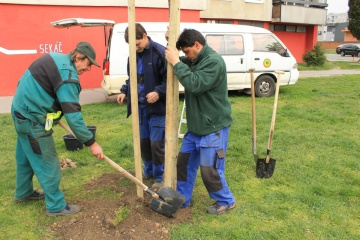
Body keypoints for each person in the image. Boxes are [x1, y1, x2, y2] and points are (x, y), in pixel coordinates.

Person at [11, 42, 104, 216]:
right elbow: (73, 117)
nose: (89, 68)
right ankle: (55, 206)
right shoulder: (69, 78)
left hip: (19, 111)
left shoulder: (56, 57)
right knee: (48, 162)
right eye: (88, 64)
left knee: (25, 156)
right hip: (32, 120)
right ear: (77, 57)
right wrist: (92, 143)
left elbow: (24, 80)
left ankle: (23, 193)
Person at [165, 28, 236, 215]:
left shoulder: (213, 62)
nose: (186, 56)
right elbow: (176, 62)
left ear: (197, 45)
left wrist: (176, 62)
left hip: (213, 127)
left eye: (187, 51)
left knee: (210, 169)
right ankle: (183, 198)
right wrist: (169, 44)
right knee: (184, 164)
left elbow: (195, 84)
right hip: (195, 128)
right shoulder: (195, 60)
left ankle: (226, 200)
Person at [117, 23, 167, 189]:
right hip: (140, 108)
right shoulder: (133, 56)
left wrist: (158, 92)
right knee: (144, 142)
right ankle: (149, 171)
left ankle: (161, 176)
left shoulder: (159, 53)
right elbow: (132, 78)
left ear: (145, 36)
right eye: (132, 45)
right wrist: (125, 91)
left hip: (157, 109)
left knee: (156, 143)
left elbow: (171, 81)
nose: (136, 47)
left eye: (138, 43)